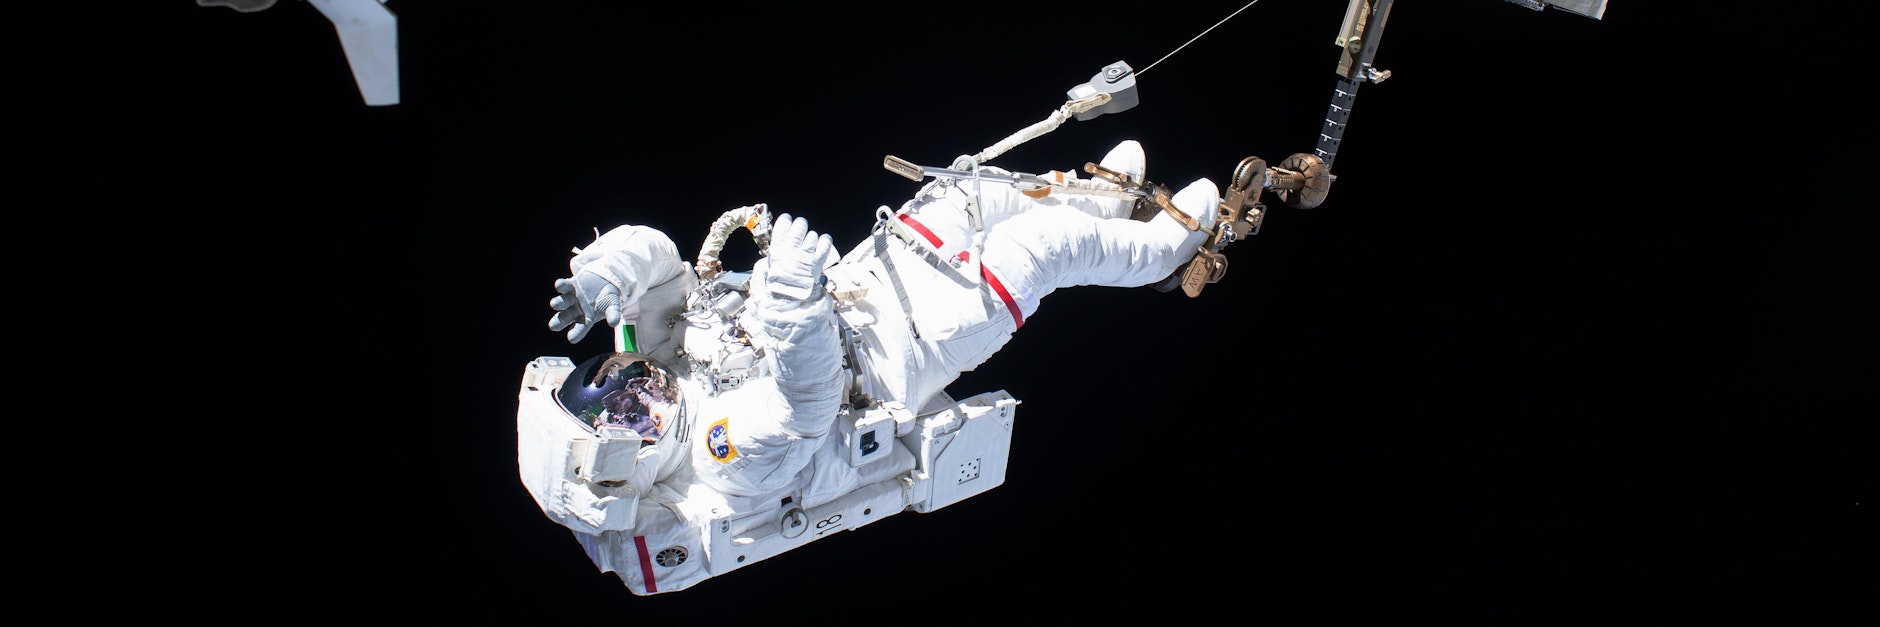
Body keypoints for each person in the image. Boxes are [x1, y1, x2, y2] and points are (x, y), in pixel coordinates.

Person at [518, 139, 1221, 593]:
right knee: (1042, 248)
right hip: (911, 347)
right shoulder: (721, 456)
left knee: (968, 191)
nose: (628, 386)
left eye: (601, 382)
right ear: (635, 460)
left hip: (864, 286)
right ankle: (1164, 250)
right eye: (624, 412)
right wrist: (791, 300)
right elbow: (805, 403)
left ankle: (1108, 199)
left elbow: (660, 270)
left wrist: (605, 270)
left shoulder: (656, 364)